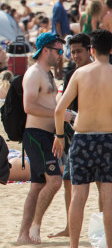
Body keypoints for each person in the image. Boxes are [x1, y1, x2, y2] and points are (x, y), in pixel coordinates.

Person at [53, 29, 112, 248]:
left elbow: (59, 110)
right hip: (108, 139)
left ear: (92, 49)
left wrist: (59, 136)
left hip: (82, 139)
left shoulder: (80, 74)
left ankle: (74, 245)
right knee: (108, 198)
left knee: (78, 197)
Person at [17, 32, 70, 244]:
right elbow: (28, 106)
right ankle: (35, 227)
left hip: (47, 135)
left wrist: (65, 117)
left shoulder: (47, 74)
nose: (61, 55)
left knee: (37, 186)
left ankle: (23, 235)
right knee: (54, 181)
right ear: (45, 50)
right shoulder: (34, 73)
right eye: (58, 50)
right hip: (36, 135)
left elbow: (50, 104)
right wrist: (59, 114)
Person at [47, 32, 92, 239]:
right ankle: (69, 227)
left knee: (102, 185)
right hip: (75, 134)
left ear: (89, 50)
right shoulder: (70, 74)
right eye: (72, 52)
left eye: (79, 51)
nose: (75, 56)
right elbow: (65, 107)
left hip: (96, 133)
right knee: (68, 181)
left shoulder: (99, 71)